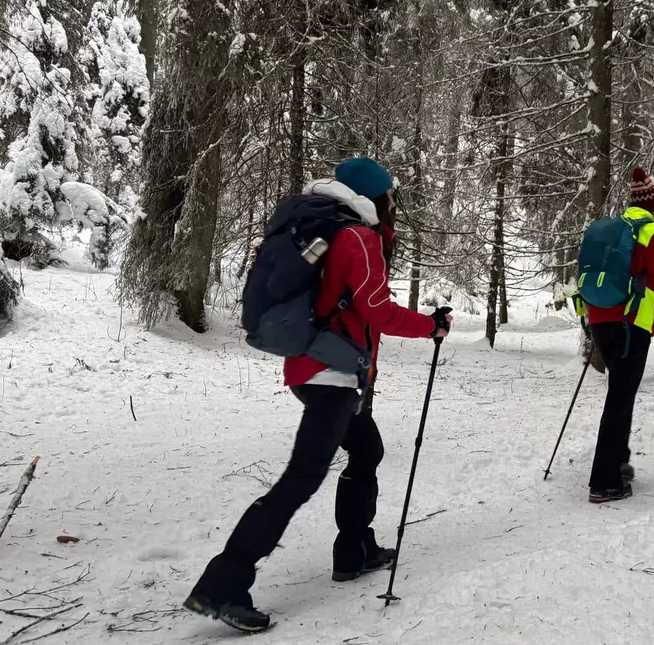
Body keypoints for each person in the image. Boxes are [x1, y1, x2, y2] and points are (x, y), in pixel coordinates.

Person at [184, 158, 453, 632]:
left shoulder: (327, 230)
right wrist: (430, 324)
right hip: (331, 375)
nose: (393, 203)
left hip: (311, 369)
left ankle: (354, 549)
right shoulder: (360, 237)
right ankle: (222, 584)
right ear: (374, 197)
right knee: (301, 479)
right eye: (390, 195)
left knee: (366, 447)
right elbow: (377, 310)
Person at [582, 168, 654, 503]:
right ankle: (605, 481)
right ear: (653, 206)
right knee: (620, 398)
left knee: (619, 393)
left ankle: (619, 461)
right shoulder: (652, 231)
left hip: (600, 319)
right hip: (631, 324)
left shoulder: (615, 229)